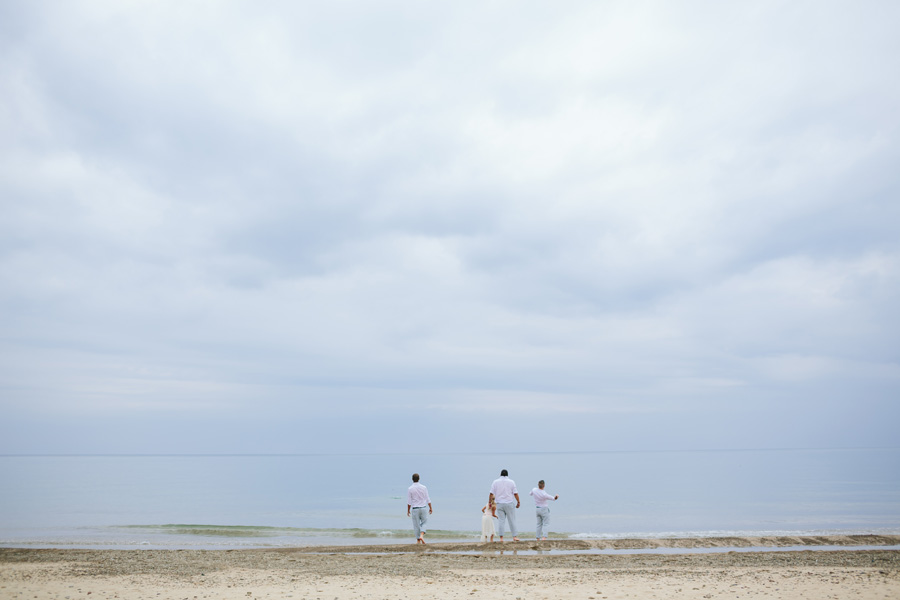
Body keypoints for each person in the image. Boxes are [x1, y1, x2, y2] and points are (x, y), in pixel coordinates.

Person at [489, 469, 520, 541]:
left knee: (501, 521)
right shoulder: (512, 482)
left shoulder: (495, 482)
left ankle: (501, 538)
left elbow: (491, 493)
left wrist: (490, 502)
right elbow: (515, 493)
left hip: (499, 503)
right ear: (507, 475)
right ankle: (514, 536)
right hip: (509, 503)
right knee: (512, 520)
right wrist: (518, 502)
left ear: (500, 474)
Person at [406, 473, 432, 544]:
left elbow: (409, 501)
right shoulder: (424, 487)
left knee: (416, 525)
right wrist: (430, 508)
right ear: (419, 479)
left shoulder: (410, 489)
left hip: (415, 508)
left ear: (412, 479)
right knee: (424, 522)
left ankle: (418, 540)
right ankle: (421, 535)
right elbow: (428, 498)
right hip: (423, 508)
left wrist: (408, 510)